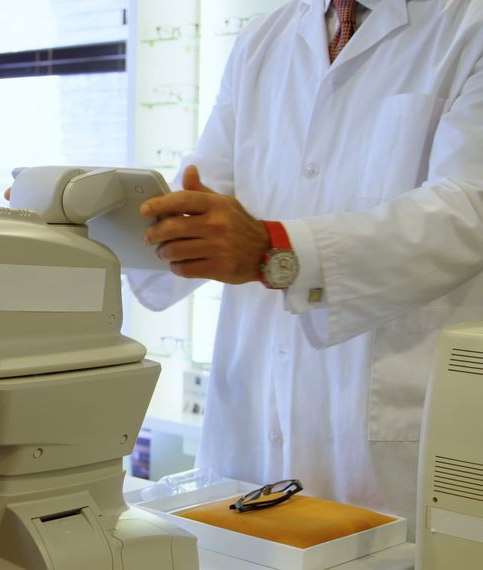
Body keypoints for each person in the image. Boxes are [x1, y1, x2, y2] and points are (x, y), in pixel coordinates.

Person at [131, 0, 483, 532]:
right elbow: (201, 196)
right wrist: (95, 217)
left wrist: (275, 250)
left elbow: (466, 210)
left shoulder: (468, 25)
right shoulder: (261, 41)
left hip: (388, 454)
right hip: (249, 440)